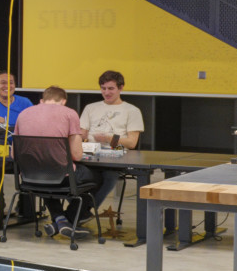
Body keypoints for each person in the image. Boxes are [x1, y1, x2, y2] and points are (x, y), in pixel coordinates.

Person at [15, 85, 100, 238]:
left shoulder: (23, 114)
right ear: (63, 101)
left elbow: (14, 154)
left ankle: (59, 220)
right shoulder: (69, 113)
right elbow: (76, 155)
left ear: (42, 101)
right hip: (62, 179)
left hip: (30, 178)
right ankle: (70, 218)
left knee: (46, 174)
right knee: (101, 176)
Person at [78, 69, 144, 208]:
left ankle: (83, 211)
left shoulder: (132, 111)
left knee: (109, 176)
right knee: (78, 175)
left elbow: (132, 143)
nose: (106, 92)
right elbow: (82, 134)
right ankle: (80, 211)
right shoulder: (90, 108)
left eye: (111, 89)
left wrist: (108, 138)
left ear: (120, 88)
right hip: (90, 154)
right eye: (103, 88)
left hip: (116, 156)